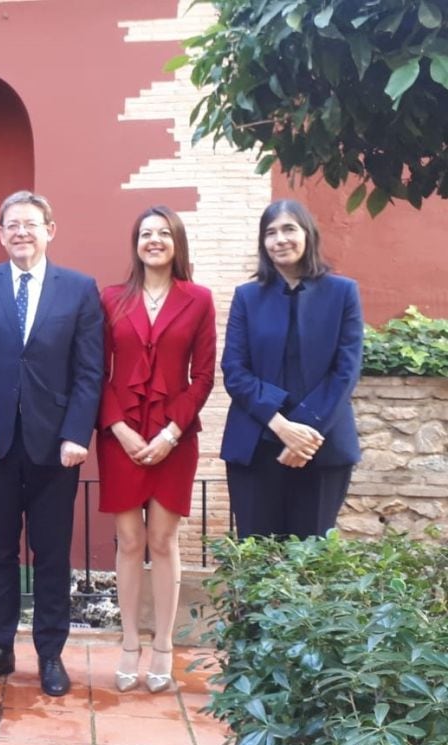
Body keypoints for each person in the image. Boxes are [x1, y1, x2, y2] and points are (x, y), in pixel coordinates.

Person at [0, 190, 103, 697]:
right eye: (12, 224)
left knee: (52, 554)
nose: (22, 232)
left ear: (50, 230)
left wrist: (76, 434)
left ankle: (50, 654)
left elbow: (89, 370)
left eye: (31, 224)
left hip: (55, 447)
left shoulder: (80, 289)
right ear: (0, 234)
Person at [96, 206, 216, 694]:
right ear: (135, 243)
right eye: (145, 233)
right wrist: (120, 429)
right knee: (128, 541)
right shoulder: (109, 299)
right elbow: (94, 371)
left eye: (163, 233)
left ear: (176, 242)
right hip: (119, 433)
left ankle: (163, 645)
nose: (154, 240)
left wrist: (170, 433)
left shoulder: (199, 299)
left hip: (175, 435)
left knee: (163, 542)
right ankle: (128, 643)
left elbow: (204, 375)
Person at [221, 199, 363, 539]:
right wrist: (281, 425)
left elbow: (346, 369)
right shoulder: (247, 296)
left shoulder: (343, 292)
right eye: (270, 233)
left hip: (322, 444)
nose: (279, 239)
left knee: (309, 564)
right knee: (258, 560)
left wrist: (304, 435)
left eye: (288, 229)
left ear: (307, 234)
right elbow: (234, 370)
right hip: (255, 443)